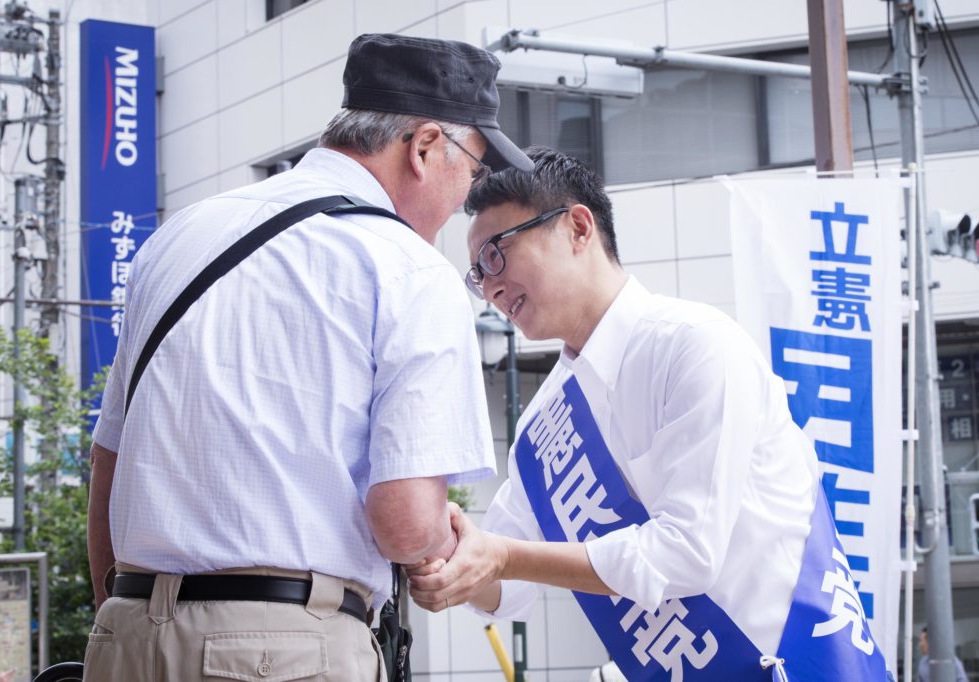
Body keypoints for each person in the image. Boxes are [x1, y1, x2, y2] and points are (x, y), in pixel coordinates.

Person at [85, 33, 532, 681]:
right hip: (281, 650)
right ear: (425, 146)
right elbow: (406, 524)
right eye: (474, 169)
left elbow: (109, 460)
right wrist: (453, 548)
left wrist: (123, 617)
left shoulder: (179, 234)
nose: (468, 192)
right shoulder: (408, 267)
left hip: (123, 636)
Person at [408, 147, 890, 680]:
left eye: (496, 255)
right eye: (477, 274)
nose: (490, 288)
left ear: (578, 227)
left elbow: (686, 552)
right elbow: (508, 587)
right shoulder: (542, 426)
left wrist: (501, 557)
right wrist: (442, 549)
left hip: (801, 665)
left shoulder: (697, 346)